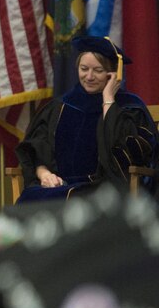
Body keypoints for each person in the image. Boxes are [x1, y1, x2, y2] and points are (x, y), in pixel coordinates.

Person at [16, 35, 158, 201]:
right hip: (61, 186)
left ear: (113, 74)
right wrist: (45, 174)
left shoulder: (130, 107)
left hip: (106, 188)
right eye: (84, 69)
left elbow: (128, 162)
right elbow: (37, 149)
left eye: (98, 70)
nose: (89, 77)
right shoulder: (60, 106)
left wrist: (108, 101)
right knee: (31, 198)